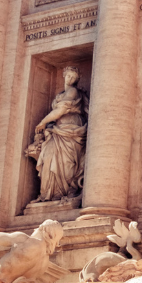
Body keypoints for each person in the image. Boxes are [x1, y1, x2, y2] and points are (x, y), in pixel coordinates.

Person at [27, 66, 87, 201]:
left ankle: (64, 192)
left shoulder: (73, 91)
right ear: (64, 75)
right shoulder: (61, 94)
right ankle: (50, 194)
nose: (70, 79)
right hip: (58, 130)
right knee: (49, 157)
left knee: (66, 163)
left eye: (74, 77)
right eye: (68, 76)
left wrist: (43, 122)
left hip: (71, 130)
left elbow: (61, 111)